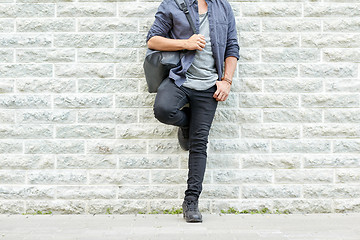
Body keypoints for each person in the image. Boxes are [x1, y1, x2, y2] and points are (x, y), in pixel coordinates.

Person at [146, 0, 239, 223]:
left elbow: (232, 46)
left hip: (209, 87)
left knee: (199, 144)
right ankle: (187, 123)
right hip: (181, 79)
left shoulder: (222, 7)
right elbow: (152, 40)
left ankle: (191, 201)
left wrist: (226, 81)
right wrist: (185, 43)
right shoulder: (172, 5)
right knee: (163, 110)